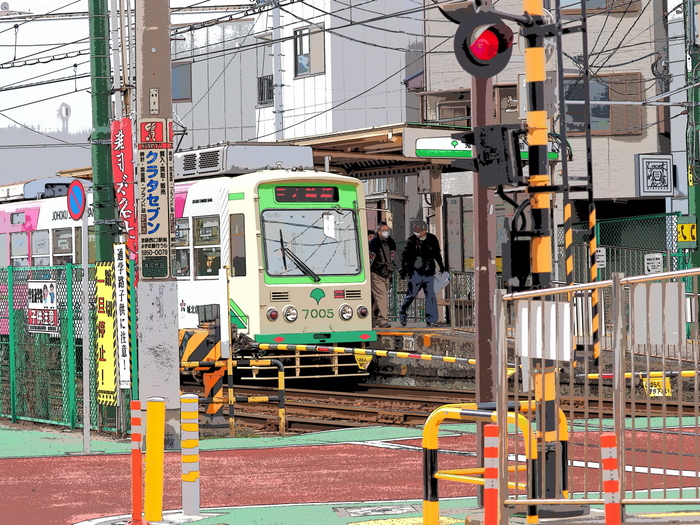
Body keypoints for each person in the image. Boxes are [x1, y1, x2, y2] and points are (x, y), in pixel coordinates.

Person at [398, 220, 446, 327]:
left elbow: (436, 254)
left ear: (425, 230)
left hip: (429, 271)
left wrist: (441, 266)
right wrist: (404, 271)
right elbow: (405, 257)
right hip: (415, 271)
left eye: (419, 231)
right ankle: (402, 313)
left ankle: (431, 319)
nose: (417, 232)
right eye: (415, 230)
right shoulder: (411, 240)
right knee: (411, 294)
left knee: (430, 295)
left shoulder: (432, 239)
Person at [369, 221, 396, 328]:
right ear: (378, 231)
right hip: (376, 273)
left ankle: (373, 319)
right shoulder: (374, 243)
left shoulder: (391, 242)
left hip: (386, 274)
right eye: (384, 230)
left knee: (377, 298)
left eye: (387, 230)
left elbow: (393, 257)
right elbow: (371, 258)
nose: (386, 232)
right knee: (382, 297)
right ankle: (383, 320)